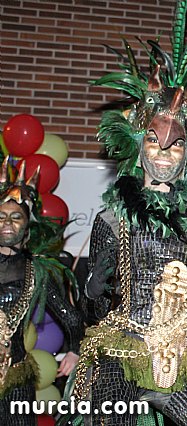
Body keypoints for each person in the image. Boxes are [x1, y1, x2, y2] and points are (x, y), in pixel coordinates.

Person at [73, 1, 187, 424]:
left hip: (184, 356)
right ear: (139, 142)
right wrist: (92, 292)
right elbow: (92, 308)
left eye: (175, 146)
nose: (164, 154)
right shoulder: (113, 219)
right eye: (154, 141)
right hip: (122, 349)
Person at [0, 160, 83, 425]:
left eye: (16, 218)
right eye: (1, 216)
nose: (7, 224)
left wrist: (74, 350)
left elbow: (71, 318)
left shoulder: (37, 271)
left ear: (27, 225)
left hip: (16, 379)